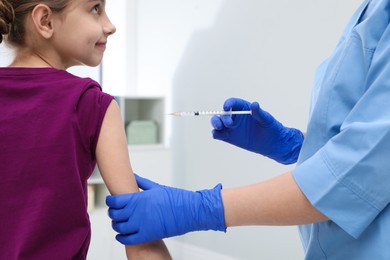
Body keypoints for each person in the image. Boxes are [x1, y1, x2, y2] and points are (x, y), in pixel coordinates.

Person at [106, 0, 390, 259]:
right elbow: (367, 147)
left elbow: (358, 175)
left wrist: (201, 208)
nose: (110, 26)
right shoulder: (372, 10)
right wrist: (296, 144)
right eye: (95, 8)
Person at [0, 0, 171, 259]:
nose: (110, 26)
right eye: (95, 9)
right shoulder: (91, 103)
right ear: (45, 21)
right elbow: (140, 235)